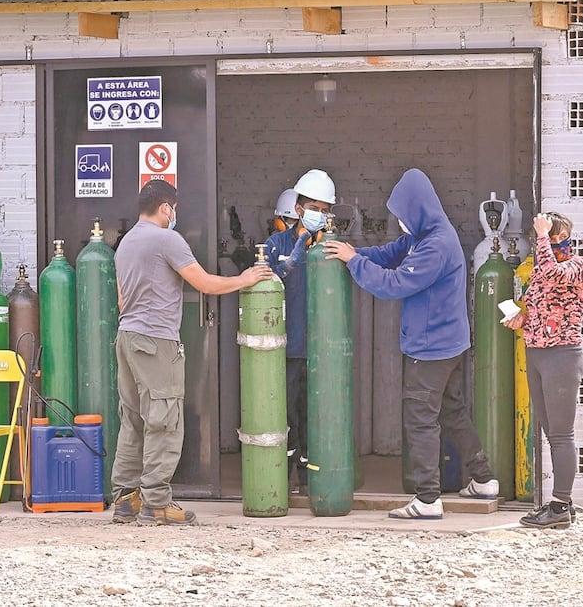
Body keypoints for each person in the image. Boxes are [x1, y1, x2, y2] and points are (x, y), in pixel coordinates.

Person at [322, 168, 499, 519]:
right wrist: (354, 252)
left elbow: (395, 284)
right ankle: (483, 479)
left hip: (431, 347)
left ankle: (428, 499)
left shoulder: (436, 245)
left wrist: (353, 262)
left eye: (403, 215)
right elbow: (390, 253)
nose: (400, 222)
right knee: (451, 411)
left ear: (418, 209)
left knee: (420, 419)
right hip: (448, 343)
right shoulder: (424, 234)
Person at [111, 179, 273, 526]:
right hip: (156, 340)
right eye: (174, 209)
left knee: (133, 419)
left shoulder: (126, 243)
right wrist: (245, 278)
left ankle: (127, 500)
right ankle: (156, 503)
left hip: (126, 337)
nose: (175, 215)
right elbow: (205, 284)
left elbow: (122, 299)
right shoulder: (167, 239)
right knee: (164, 419)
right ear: (166, 208)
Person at [504, 212, 583, 529]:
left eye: (555, 235)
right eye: (546, 236)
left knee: (562, 435)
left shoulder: (574, 266)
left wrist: (540, 233)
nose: (550, 241)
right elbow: (536, 307)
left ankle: (560, 506)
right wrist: (520, 320)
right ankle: (563, 505)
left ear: (568, 236)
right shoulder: (538, 271)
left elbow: (552, 273)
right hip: (536, 353)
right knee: (551, 433)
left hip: (562, 355)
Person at [264, 170, 336, 492]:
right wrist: (289, 262)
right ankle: (284, 479)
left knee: (314, 418)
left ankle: (309, 482)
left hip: (320, 349)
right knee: (288, 417)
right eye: (315, 208)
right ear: (299, 209)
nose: (319, 215)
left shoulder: (328, 247)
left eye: (325, 210)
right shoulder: (275, 244)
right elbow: (262, 282)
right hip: (288, 347)